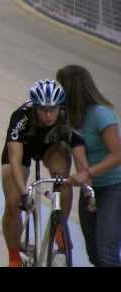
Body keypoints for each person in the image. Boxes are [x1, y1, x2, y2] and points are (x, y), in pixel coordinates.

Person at [1, 79, 89, 267]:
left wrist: (87, 183)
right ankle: (14, 256)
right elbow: (15, 160)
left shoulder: (68, 118)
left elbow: (81, 158)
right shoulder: (20, 117)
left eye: (53, 109)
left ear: (60, 107)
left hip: (52, 147)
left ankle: (60, 227)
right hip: (23, 149)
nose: (48, 115)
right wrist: (23, 194)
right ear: (34, 107)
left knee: (63, 179)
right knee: (12, 202)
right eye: (43, 110)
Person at [57, 65, 121, 267]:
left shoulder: (101, 114)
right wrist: (87, 188)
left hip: (114, 187)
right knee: (94, 253)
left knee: (106, 252)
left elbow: (118, 154)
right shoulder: (74, 118)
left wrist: (88, 173)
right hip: (92, 188)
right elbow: (78, 153)